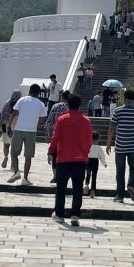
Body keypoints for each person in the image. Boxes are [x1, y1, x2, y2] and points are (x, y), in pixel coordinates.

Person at [48, 94, 92, 226]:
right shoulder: (86, 121)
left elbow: (55, 138)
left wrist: (50, 151)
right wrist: (85, 153)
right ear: (79, 106)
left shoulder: (61, 119)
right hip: (79, 160)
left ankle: (60, 214)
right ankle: (74, 215)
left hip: (63, 160)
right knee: (77, 189)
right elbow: (89, 140)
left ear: (68, 104)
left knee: (61, 189)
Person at [106, 89, 134, 203]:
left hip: (120, 146)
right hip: (133, 146)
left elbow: (111, 129)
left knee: (120, 170)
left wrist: (108, 144)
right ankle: (131, 186)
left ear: (124, 98)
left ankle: (120, 195)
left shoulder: (118, 111)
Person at [7, 84, 46, 186]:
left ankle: (16, 172)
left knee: (14, 153)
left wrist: (9, 127)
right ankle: (25, 178)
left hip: (19, 129)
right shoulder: (41, 104)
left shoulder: (22, 100)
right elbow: (42, 119)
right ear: (38, 93)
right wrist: (36, 124)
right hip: (31, 131)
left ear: (29, 91)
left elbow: (14, 114)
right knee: (28, 156)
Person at [44, 90, 71, 184]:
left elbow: (49, 121)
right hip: (68, 136)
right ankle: (65, 176)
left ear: (62, 97)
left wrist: (48, 134)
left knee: (55, 155)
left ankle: (55, 176)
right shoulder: (72, 107)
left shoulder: (56, 106)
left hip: (56, 135)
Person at [0, 90, 21, 168]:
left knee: (6, 144)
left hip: (6, 125)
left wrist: (1, 124)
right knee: (14, 145)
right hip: (16, 126)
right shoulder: (20, 104)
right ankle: (13, 164)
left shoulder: (7, 103)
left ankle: (6, 157)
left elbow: (2, 115)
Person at [84, 132, 106, 197]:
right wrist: (104, 163)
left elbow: (85, 153)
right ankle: (93, 191)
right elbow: (102, 156)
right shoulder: (99, 148)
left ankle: (86, 186)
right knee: (94, 176)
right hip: (95, 162)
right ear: (98, 139)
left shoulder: (88, 146)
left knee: (88, 174)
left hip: (88, 161)